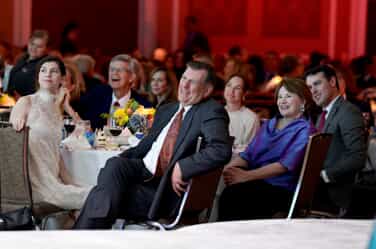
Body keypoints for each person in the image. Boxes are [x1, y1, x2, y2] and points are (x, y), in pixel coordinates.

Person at [74, 61, 233, 229]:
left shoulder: (210, 111)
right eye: (184, 78)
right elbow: (144, 146)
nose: (184, 85)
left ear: (207, 90)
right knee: (114, 166)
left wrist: (183, 166)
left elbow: (220, 149)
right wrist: (118, 160)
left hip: (164, 190)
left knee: (99, 197)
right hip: (142, 173)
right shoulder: (167, 109)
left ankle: (80, 241)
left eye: (192, 82)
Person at [218, 77, 316, 221]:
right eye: (280, 96)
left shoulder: (305, 129)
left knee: (233, 196)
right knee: (224, 187)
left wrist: (246, 176)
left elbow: (284, 165)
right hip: (259, 181)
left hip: (281, 188)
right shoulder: (270, 123)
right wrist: (227, 169)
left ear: (303, 101)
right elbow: (248, 155)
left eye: (288, 96)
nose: (282, 101)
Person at [9, 56, 91, 210]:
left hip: (53, 179)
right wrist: (15, 124)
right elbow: (11, 139)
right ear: (38, 76)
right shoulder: (26, 102)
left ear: (61, 79)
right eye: (43, 70)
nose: (47, 74)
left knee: (93, 192)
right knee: (93, 197)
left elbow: (57, 151)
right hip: (32, 184)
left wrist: (67, 106)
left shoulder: (56, 109)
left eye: (53, 71)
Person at [305, 65, 367, 214]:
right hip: (317, 191)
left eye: (317, 83)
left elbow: (357, 157)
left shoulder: (348, 111)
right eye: (309, 86)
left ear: (332, 82)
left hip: (333, 194)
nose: (312, 91)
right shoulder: (322, 114)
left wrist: (324, 176)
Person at [80, 54, 151, 130]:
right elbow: (81, 120)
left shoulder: (142, 106)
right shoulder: (96, 95)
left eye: (120, 70)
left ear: (131, 77)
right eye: (112, 69)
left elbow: (141, 137)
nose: (114, 73)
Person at [7, 30, 49, 99]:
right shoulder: (22, 58)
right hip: (11, 100)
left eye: (39, 46)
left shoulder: (46, 65)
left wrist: (23, 99)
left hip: (28, 104)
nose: (34, 48)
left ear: (46, 48)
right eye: (32, 44)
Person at [224, 74, 259, 149]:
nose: (231, 90)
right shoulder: (215, 113)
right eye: (229, 85)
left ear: (244, 93)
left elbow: (251, 149)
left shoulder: (251, 118)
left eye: (237, 88)